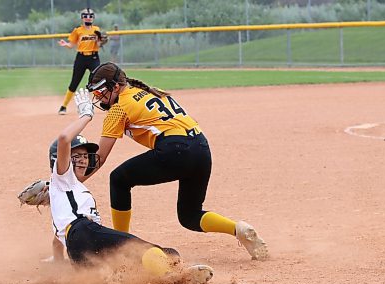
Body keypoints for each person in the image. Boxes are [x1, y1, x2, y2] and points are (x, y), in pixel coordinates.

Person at [84, 62, 269, 260]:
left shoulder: (118, 109)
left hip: (176, 149)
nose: (98, 97)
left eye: (100, 92)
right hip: (201, 148)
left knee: (119, 179)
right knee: (189, 216)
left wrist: (66, 184)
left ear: (116, 87)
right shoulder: (149, 92)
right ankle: (238, 228)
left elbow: (99, 159)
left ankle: (121, 247)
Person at [42, 88, 214, 284]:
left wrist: (58, 261)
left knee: (168, 253)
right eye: (75, 156)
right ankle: (173, 279)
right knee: (141, 249)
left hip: (82, 250)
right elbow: (64, 139)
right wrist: (86, 115)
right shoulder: (62, 178)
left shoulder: (68, 190)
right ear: (59, 160)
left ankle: (149, 279)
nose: (82, 161)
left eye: (84, 156)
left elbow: (59, 237)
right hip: (84, 232)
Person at [56, 8, 106, 115]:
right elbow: (71, 44)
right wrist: (65, 44)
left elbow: (98, 45)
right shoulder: (78, 30)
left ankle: (107, 103)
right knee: (75, 82)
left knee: (100, 80)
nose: (88, 17)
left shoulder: (96, 29)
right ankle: (63, 106)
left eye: (91, 15)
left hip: (93, 57)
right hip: (81, 58)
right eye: (86, 15)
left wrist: (100, 40)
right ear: (82, 18)